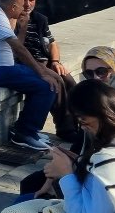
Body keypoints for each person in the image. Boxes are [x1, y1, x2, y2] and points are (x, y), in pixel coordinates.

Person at [16, 47, 115, 204]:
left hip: (93, 174)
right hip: (88, 168)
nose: (95, 77)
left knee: (31, 190)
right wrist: (66, 162)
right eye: (89, 73)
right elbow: (83, 149)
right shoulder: (90, 99)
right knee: (32, 183)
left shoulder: (105, 108)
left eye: (101, 71)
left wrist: (67, 172)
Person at [0, 0, 61, 150]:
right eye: (20, 7)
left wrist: (23, 26)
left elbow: (12, 49)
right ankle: (25, 133)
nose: (23, 9)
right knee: (47, 85)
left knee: (51, 78)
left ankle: (28, 129)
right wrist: (42, 73)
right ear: (12, 7)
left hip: (2, 68)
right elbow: (19, 49)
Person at [42, 78, 115, 212]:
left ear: (103, 113)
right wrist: (78, 162)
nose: (82, 127)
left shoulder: (105, 159)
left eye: (83, 120)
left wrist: (65, 174)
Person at [15, 0, 78, 139]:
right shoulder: (10, 20)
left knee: (70, 81)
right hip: (27, 62)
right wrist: (22, 27)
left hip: (44, 60)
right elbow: (16, 50)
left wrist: (55, 61)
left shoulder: (40, 19)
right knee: (57, 82)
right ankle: (65, 129)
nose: (28, 4)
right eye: (24, 0)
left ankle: (79, 125)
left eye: (31, 0)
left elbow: (52, 43)